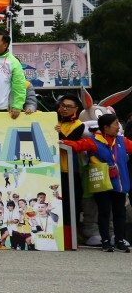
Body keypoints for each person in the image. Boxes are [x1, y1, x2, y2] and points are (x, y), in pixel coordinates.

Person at [61, 113, 131, 253]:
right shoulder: (93, 141)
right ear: (106, 127)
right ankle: (105, 241)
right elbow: (77, 145)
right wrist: (63, 142)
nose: (118, 127)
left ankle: (119, 240)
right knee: (104, 212)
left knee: (119, 213)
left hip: (120, 184)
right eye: (115, 124)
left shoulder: (122, 141)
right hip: (102, 183)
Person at [55, 94, 85, 243]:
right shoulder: (53, 120)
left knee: (70, 205)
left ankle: (70, 240)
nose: (64, 109)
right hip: (54, 170)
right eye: (62, 105)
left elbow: (70, 142)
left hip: (70, 171)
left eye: (68, 106)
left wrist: (56, 132)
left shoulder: (79, 124)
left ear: (76, 109)